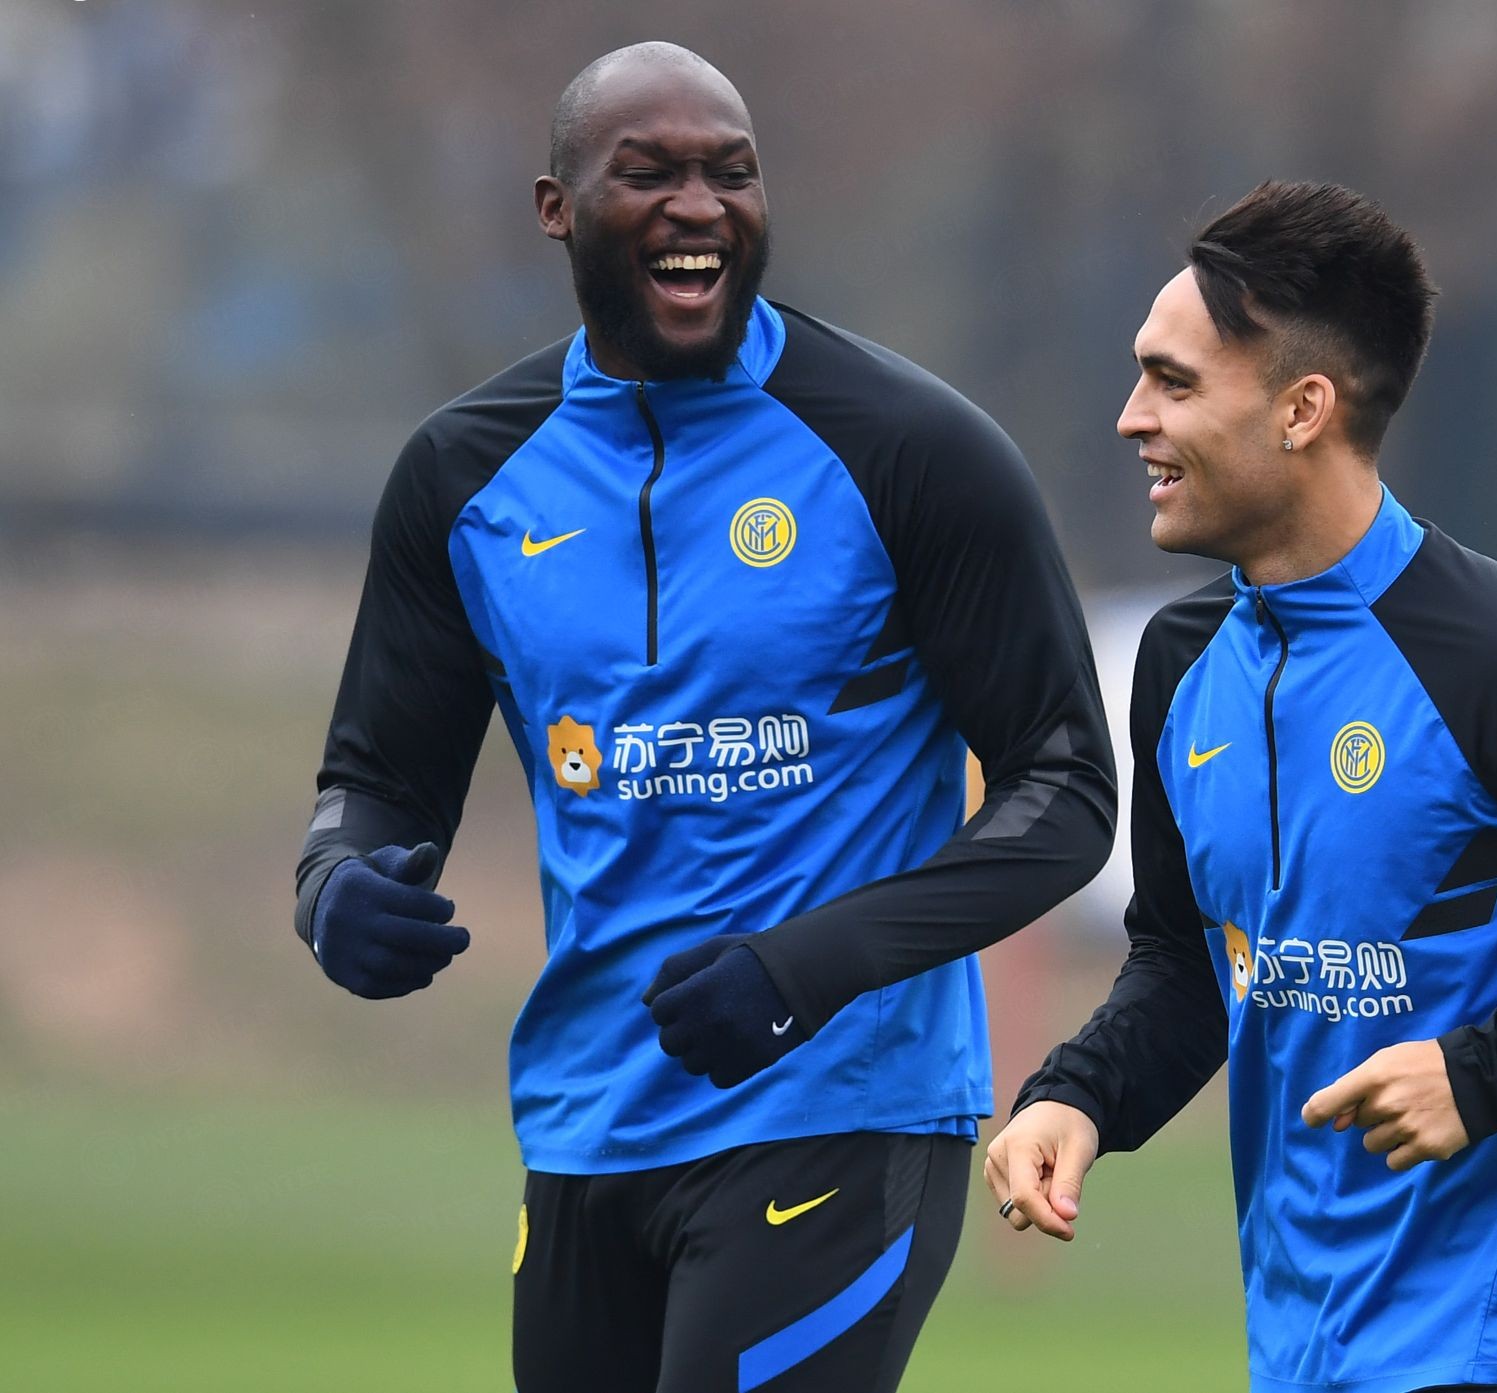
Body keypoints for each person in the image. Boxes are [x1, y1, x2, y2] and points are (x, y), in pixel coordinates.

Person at [292, 42, 1114, 1393]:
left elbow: (1066, 792)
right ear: (556, 208)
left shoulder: (913, 450)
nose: (699, 206)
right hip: (586, 1128)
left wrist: (803, 971)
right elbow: (376, 779)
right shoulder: (463, 475)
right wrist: (337, 886)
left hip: (842, 1113)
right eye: (650, 173)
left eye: (731, 172)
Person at [984, 181, 1497, 1393]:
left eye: (1172, 382)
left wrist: (1485, 1076)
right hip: (1301, 1351)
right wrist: (1079, 1096)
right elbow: (1190, 961)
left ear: (1301, 410)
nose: (1131, 419)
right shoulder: (1180, 665)